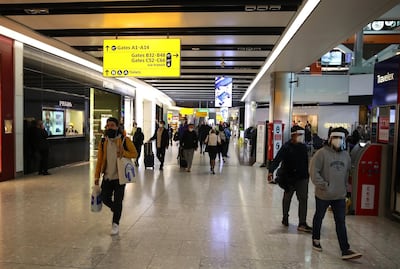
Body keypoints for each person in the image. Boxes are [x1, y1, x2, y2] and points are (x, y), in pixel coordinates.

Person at [309, 127, 362, 260]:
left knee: (340, 222)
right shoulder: (321, 154)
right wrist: (325, 186)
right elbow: (314, 173)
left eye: (340, 138)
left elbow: (348, 173)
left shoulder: (346, 156)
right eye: (336, 138)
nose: (338, 141)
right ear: (330, 139)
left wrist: (346, 190)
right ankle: (316, 239)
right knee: (319, 217)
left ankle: (345, 249)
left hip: (339, 195)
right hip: (323, 194)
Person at [94, 117, 137, 235]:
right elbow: (99, 160)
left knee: (118, 201)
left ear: (117, 127)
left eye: (112, 125)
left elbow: (134, 153)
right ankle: (115, 209)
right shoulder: (103, 142)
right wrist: (96, 176)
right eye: (108, 126)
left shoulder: (124, 139)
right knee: (104, 198)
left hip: (120, 177)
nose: (109, 128)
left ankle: (115, 224)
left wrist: (124, 153)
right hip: (107, 176)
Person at [267, 126, 312, 232]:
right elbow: (277, 159)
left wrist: (307, 176)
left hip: (302, 178)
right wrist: (270, 171)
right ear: (293, 135)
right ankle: (285, 217)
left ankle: (302, 222)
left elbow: (306, 163)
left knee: (303, 199)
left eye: (302, 135)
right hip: (289, 178)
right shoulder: (286, 147)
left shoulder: (303, 147)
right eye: (299, 135)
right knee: (287, 199)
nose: (301, 137)